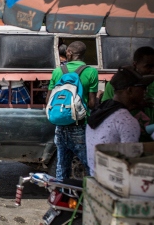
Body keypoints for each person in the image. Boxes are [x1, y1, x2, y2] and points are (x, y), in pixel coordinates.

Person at [86, 66, 154, 176]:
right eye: (142, 88)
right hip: (116, 182)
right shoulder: (127, 121)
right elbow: (131, 164)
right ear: (130, 90)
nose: (145, 92)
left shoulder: (101, 111)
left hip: (96, 175)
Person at [46, 41, 98, 180]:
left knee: (62, 166)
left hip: (60, 126)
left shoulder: (58, 72)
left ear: (69, 53)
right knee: (90, 166)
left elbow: (48, 101)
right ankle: (90, 197)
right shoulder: (91, 72)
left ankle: (60, 196)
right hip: (79, 125)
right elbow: (92, 104)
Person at [101, 46, 154, 140]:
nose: (152, 70)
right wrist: (135, 105)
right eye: (148, 66)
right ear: (135, 64)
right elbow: (107, 112)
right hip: (125, 139)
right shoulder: (116, 84)